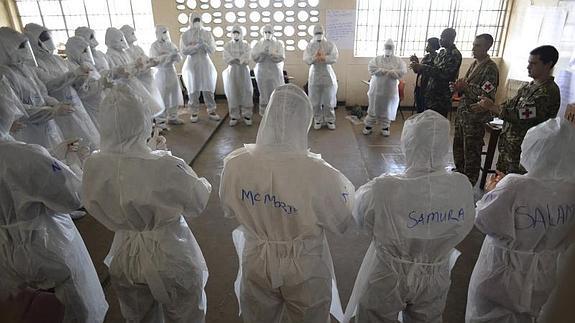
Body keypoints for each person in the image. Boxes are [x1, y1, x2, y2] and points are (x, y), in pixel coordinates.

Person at [220, 84, 355, 323]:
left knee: (258, 317)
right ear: (304, 120)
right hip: (305, 265)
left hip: (257, 259)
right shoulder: (320, 173)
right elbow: (341, 222)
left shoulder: (235, 164)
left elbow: (229, 208)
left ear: (268, 115)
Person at [82, 81, 212, 322]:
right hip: (170, 251)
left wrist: (151, 152)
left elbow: (124, 176)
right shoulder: (164, 165)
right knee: (185, 314)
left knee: (139, 316)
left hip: (124, 252)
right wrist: (164, 156)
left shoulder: (93, 164)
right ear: (143, 121)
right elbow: (197, 200)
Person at [344, 110, 475, 323]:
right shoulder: (461, 185)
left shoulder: (383, 188)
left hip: (389, 271)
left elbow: (362, 218)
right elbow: (466, 224)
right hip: (435, 272)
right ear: (444, 144)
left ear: (408, 144)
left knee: (375, 317)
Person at [0, 77, 108, 323]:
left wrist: (53, 158)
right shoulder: (24, 155)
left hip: (5, 251)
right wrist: (76, 164)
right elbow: (73, 197)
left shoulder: (24, 156)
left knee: (24, 307)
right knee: (72, 301)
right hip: (44, 243)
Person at [466, 117, 575, 323]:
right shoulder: (571, 191)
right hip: (544, 272)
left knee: (486, 317)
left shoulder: (514, 185)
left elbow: (484, 220)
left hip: (501, 272)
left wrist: (492, 191)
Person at [475, 45, 560, 175]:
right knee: (502, 181)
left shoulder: (547, 92)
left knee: (516, 187)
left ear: (548, 65)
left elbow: (522, 115)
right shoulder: (530, 85)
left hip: (523, 153)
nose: (528, 67)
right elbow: (510, 104)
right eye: (528, 63)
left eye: (534, 63)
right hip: (509, 147)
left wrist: (493, 107)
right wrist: (491, 106)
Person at [23, 23, 100, 151]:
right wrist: (73, 74)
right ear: (34, 42)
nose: (48, 41)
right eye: (44, 38)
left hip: (75, 104)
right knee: (74, 143)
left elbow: (74, 84)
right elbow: (50, 85)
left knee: (89, 136)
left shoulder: (58, 60)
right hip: (60, 109)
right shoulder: (35, 65)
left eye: (48, 37)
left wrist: (82, 78)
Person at [0, 27, 69, 150]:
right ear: (7, 50)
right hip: (29, 131)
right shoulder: (5, 75)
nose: (26, 50)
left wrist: (54, 103)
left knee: (59, 156)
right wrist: (51, 111)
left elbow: (41, 93)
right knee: (42, 161)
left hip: (47, 124)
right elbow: (17, 111)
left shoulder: (25, 68)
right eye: (21, 46)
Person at [452, 34, 499, 186]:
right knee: (459, 147)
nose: (473, 48)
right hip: (463, 115)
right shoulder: (474, 64)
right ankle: (459, 174)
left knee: (471, 151)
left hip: (474, 118)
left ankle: (469, 182)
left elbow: (486, 96)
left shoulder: (490, 69)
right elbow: (466, 87)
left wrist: (465, 87)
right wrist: (458, 88)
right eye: (473, 44)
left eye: (478, 45)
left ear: (487, 47)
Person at [410, 28, 462, 117]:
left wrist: (422, 67)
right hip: (430, 94)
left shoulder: (454, 54)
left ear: (451, 39)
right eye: (440, 37)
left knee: (437, 124)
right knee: (427, 123)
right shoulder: (442, 53)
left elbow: (444, 74)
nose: (440, 40)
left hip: (441, 97)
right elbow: (433, 69)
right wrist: (419, 66)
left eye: (443, 37)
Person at [180, 12, 220, 123]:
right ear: (190, 21)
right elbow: (183, 50)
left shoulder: (207, 33)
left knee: (208, 88)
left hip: (205, 63)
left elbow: (212, 49)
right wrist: (196, 47)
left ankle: (211, 110)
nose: (196, 22)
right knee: (193, 88)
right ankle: (194, 111)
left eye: (198, 20)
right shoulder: (185, 35)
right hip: (192, 64)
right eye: (194, 20)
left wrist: (205, 45)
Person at [363, 39, 407, 137]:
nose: (388, 50)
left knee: (387, 108)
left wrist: (392, 73)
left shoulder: (398, 61)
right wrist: (382, 71)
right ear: (384, 48)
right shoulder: (377, 59)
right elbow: (371, 68)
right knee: (373, 107)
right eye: (386, 47)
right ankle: (368, 126)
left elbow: (402, 71)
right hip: (376, 89)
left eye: (390, 48)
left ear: (393, 48)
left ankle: (385, 127)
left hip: (389, 90)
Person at [303, 24, 339, 130]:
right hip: (314, 74)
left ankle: (330, 120)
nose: (318, 35)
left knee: (329, 100)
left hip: (328, 75)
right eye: (316, 33)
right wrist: (315, 57)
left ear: (324, 33)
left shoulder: (330, 44)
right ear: (313, 34)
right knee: (315, 101)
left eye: (320, 33)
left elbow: (335, 57)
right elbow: (306, 59)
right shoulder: (310, 46)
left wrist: (324, 57)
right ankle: (317, 119)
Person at [65, 36, 105, 130]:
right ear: (75, 51)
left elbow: (97, 78)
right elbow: (82, 92)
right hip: (89, 107)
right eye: (84, 51)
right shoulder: (70, 68)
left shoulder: (88, 65)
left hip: (99, 102)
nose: (86, 54)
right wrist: (101, 84)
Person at [150, 25, 185, 126]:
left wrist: (176, 56)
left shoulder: (170, 44)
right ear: (158, 33)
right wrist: (167, 57)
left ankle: (173, 116)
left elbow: (179, 57)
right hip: (162, 72)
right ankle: (161, 120)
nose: (165, 34)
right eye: (163, 32)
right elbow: (154, 60)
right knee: (163, 95)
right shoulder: (154, 46)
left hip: (171, 71)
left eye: (166, 32)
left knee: (174, 94)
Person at [222, 24, 254, 127]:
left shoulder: (246, 45)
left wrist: (240, 60)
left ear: (241, 34)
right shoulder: (227, 45)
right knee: (233, 92)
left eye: (238, 33)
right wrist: (232, 60)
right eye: (234, 33)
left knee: (246, 91)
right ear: (231, 34)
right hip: (232, 71)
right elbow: (226, 55)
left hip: (243, 70)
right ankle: (234, 115)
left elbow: (248, 56)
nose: (236, 35)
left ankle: (247, 115)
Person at [251, 24, 285, 116]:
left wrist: (272, 54)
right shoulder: (258, 44)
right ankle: (264, 113)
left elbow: (282, 56)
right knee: (263, 92)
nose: (267, 34)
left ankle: (276, 113)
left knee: (275, 92)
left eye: (269, 32)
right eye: (265, 32)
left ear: (273, 33)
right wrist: (261, 54)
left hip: (274, 73)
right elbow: (254, 57)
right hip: (262, 73)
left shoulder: (278, 44)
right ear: (262, 33)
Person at [413, 37, 440, 113]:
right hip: (419, 86)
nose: (427, 47)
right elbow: (418, 71)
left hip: (427, 88)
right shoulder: (426, 57)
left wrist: (420, 66)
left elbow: (434, 72)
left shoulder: (437, 58)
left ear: (433, 46)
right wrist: (415, 62)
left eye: (428, 45)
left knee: (425, 110)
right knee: (419, 108)